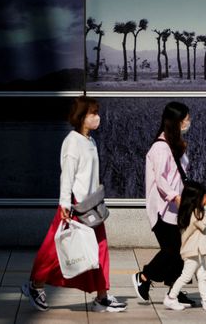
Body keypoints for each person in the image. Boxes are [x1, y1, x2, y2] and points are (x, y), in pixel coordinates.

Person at [21, 97, 127, 313]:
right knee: (56, 251)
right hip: (75, 207)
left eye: (97, 112)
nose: (97, 117)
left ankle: (102, 296)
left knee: (100, 249)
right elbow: (67, 176)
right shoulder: (72, 142)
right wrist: (64, 204)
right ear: (81, 117)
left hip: (91, 206)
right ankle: (35, 285)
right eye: (92, 113)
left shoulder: (90, 140)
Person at [132, 102, 206, 306]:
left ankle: (175, 291)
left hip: (177, 209)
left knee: (181, 251)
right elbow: (160, 179)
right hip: (164, 210)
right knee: (172, 251)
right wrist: (175, 196)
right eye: (185, 119)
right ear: (175, 122)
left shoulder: (173, 144)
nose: (188, 122)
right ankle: (144, 277)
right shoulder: (160, 147)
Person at [164, 181, 206, 311]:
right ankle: (170, 298)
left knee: (202, 275)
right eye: (204, 196)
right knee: (186, 276)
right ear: (196, 198)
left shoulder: (188, 212)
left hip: (196, 251)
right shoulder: (195, 213)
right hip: (192, 251)